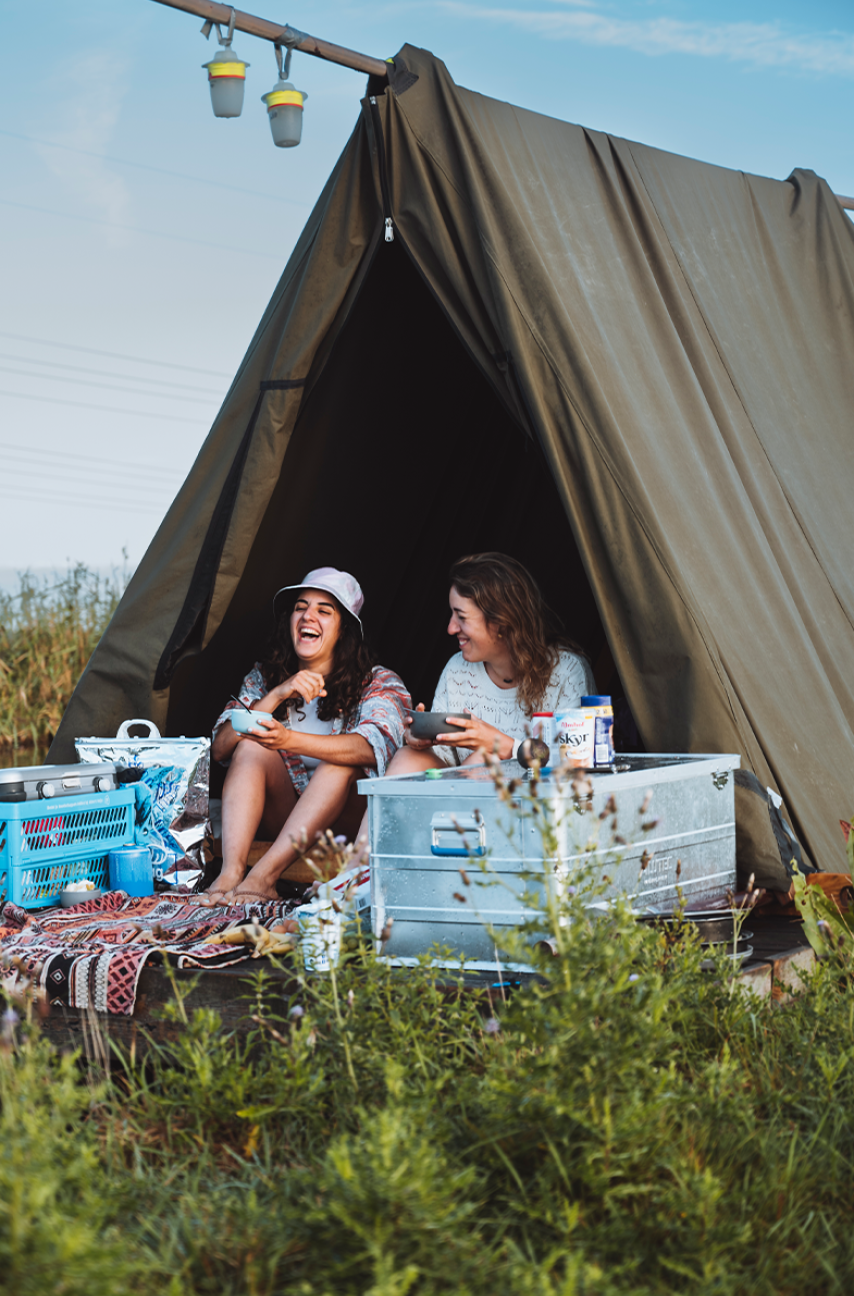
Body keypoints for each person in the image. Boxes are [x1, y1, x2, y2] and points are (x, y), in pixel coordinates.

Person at [202, 567, 410, 903]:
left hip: (343, 829)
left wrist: (288, 740)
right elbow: (221, 747)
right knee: (251, 745)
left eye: (323, 611)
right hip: (285, 822)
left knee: (340, 762)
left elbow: (373, 748)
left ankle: (264, 878)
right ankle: (230, 874)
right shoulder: (265, 677)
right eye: (300, 607)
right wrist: (277, 694)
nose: (307, 616)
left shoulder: (378, 682)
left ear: (344, 631)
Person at [388, 552, 595, 776]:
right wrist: (423, 739)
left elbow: (574, 762)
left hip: (538, 801)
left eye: (462, 617)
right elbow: (444, 761)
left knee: (484, 760)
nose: (451, 628)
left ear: (501, 622)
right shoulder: (457, 669)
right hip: (463, 793)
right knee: (409, 757)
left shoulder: (567, 672)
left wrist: (498, 744)